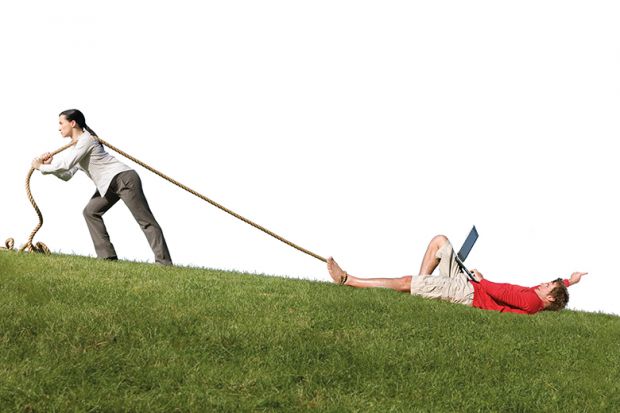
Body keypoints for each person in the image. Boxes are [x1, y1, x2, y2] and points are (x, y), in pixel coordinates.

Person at [31, 109, 172, 266]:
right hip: (109, 185)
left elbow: (65, 165)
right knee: (90, 212)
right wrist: (48, 166)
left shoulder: (86, 140)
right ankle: (107, 257)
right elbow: (67, 175)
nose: (59, 128)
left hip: (124, 179)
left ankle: (164, 262)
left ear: (72, 123)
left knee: (145, 221)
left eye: (61, 123)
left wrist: (40, 167)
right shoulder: (77, 147)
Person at [326, 234, 587, 314]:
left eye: (548, 286)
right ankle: (420, 288)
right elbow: (548, 289)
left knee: (406, 282)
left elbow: (501, 294)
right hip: (471, 284)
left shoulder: (531, 302)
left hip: (469, 292)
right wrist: (568, 281)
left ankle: (347, 280)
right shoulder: (537, 296)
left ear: (550, 299)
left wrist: (482, 280)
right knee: (440, 242)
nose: (542, 284)